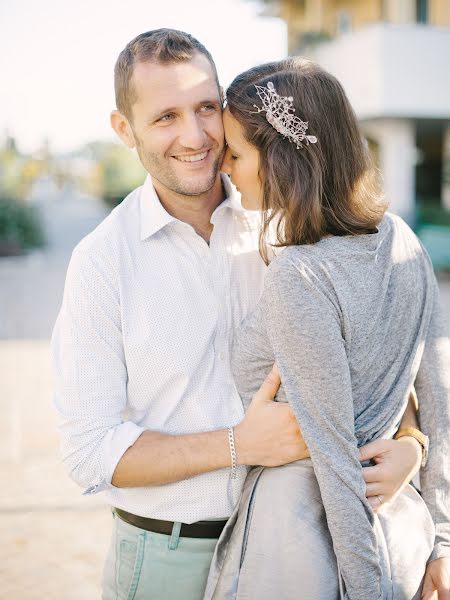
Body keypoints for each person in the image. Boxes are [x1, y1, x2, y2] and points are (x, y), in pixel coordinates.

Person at [52, 30, 425, 600]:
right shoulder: (102, 263)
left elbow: (378, 350)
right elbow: (90, 449)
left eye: (206, 108)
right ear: (124, 129)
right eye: (165, 117)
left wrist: (409, 444)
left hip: (304, 550)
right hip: (168, 558)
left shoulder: (284, 210)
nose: (196, 136)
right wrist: (237, 444)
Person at [203, 59, 450, 600]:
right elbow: (439, 401)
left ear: (282, 159)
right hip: (396, 530)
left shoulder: (301, 273)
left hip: (302, 543)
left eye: (237, 153)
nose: (225, 166)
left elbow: (335, 459)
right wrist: (443, 539)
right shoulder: (403, 239)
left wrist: (366, 592)